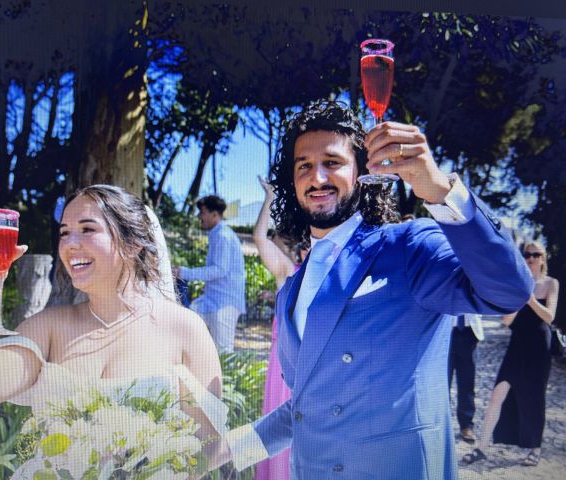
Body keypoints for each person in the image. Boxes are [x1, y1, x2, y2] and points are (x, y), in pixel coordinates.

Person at [221, 100, 533, 479]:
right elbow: (305, 410)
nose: (317, 177)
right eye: (304, 166)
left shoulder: (408, 247)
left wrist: (439, 190)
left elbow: (508, 291)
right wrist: (217, 453)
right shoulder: (292, 291)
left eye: (332, 162)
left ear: (361, 171)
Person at [0, 184, 227, 477]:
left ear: (132, 243)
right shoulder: (48, 327)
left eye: (87, 229)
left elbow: (208, 446)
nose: (70, 243)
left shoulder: (185, 328)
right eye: (64, 232)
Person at [462, 240, 559, 467]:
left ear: (544, 258)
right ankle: (481, 447)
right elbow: (506, 321)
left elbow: (549, 316)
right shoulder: (517, 285)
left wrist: (530, 298)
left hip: (538, 348)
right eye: (527, 255)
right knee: (497, 394)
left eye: (536, 254)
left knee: (535, 397)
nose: (532, 259)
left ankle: (535, 448)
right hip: (517, 345)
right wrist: (520, 294)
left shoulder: (551, 283)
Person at [253, 175, 307, 480]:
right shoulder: (288, 272)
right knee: (280, 430)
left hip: (313, 365)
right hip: (284, 364)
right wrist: (270, 200)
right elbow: (260, 237)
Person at [175, 195, 246, 354]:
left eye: (203, 212)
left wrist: (184, 272)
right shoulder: (217, 233)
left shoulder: (223, 236)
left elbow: (219, 270)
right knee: (189, 322)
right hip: (212, 300)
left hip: (224, 304)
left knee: (223, 353)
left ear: (215, 215)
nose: (200, 216)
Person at [448, 313, 484, 444]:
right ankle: (441, 425)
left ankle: (466, 425)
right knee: (442, 384)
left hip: (470, 332)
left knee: (467, 383)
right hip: (445, 331)